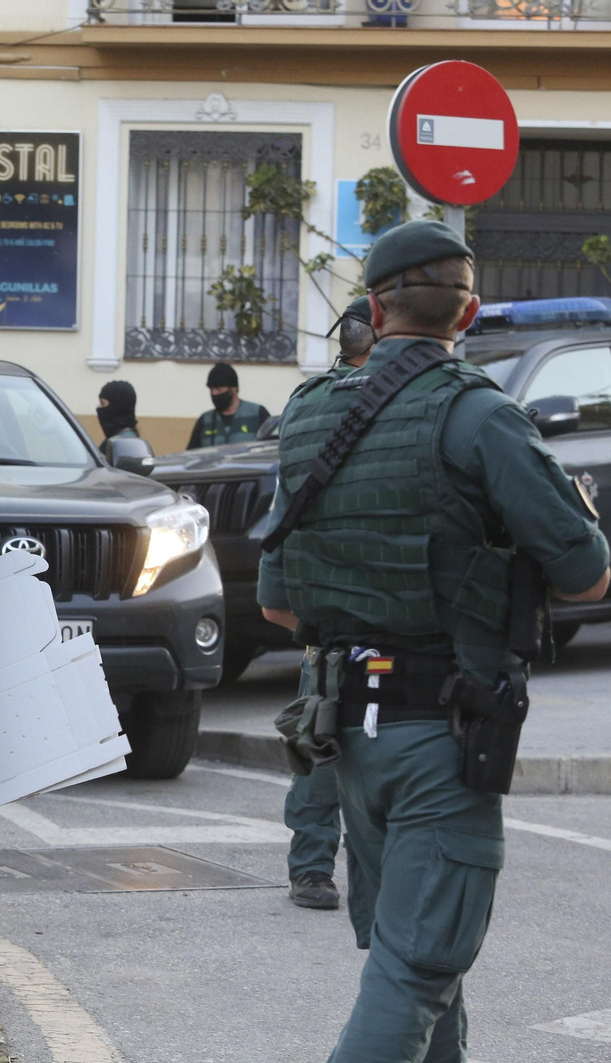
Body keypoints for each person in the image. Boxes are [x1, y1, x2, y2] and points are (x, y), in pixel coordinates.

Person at [259, 219, 610, 1063]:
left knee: (421, 962)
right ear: (470, 313)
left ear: (374, 312)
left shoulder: (308, 415)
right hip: (440, 738)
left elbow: (278, 608)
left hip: (345, 739)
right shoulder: (482, 416)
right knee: (419, 967)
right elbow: (586, 574)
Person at [281, 297, 375, 912]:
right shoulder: (395, 394)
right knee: (347, 729)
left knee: (324, 722)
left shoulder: (306, 399)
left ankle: (313, 867)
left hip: (327, 592)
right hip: (374, 591)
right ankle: (325, 865)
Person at [187, 361, 270, 449]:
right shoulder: (205, 420)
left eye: (219, 389)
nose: (214, 393)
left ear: (233, 388)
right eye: (211, 389)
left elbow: (273, 448)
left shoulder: (257, 413)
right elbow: (191, 454)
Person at [95, 379, 140, 462]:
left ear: (117, 407)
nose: (99, 407)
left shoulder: (120, 445)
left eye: (102, 403)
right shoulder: (129, 439)